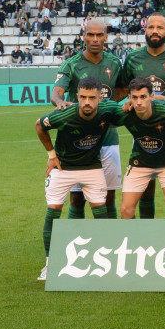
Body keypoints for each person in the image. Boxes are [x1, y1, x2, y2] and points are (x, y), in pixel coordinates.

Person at [34, 76, 123, 281]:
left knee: (100, 212)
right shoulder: (65, 114)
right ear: (77, 96)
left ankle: (106, 260)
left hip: (92, 168)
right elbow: (39, 125)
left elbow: (126, 114)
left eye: (92, 97)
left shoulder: (108, 110)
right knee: (53, 212)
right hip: (62, 168)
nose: (87, 102)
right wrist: (52, 156)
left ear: (100, 98)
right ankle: (50, 263)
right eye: (83, 97)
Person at [115, 12, 165, 219]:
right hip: (142, 134)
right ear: (145, 30)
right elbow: (123, 90)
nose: (155, 31)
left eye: (160, 28)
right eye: (151, 27)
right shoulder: (133, 58)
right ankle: (147, 237)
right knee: (145, 189)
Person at [50, 20, 124, 219]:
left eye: (100, 35)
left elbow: (122, 90)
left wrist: (108, 109)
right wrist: (59, 103)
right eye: (90, 35)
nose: (95, 39)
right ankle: (78, 244)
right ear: (83, 36)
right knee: (77, 198)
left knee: (108, 196)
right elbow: (56, 93)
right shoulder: (71, 64)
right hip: (77, 141)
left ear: (106, 37)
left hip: (108, 138)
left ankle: (110, 243)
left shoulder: (115, 63)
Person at [116, 77, 165, 219]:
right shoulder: (124, 114)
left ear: (152, 97)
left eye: (143, 97)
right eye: (134, 98)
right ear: (129, 98)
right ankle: (136, 240)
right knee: (126, 210)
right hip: (140, 164)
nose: (139, 102)